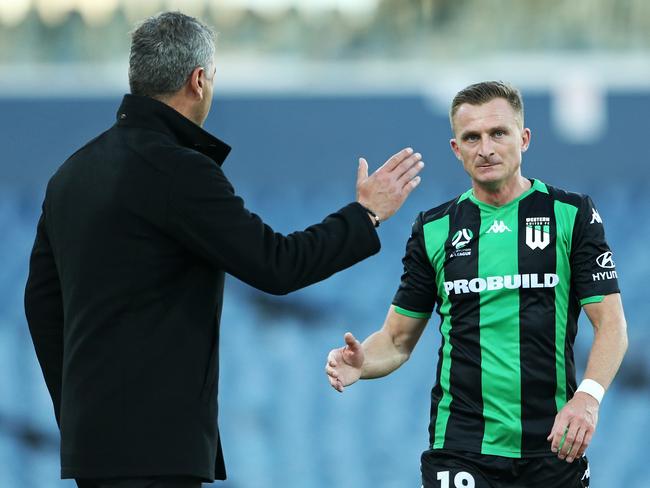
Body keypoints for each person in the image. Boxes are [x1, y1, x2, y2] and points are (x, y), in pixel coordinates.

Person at [23, 11, 424, 488]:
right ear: (197, 81)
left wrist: (78, 414)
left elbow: (40, 304)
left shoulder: (69, 175)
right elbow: (277, 264)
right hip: (159, 449)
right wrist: (365, 215)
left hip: (94, 450)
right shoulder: (178, 171)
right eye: (212, 76)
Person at [325, 81, 628, 488]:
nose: (485, 148)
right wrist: (363, 363)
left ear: (524, 139)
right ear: (456, 149)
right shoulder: (433, 229)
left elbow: (611, 325)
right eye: (472, 137)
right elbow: (396, 341)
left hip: (553, 445)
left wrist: (588, 398)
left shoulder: (571, 214)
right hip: (461, 445)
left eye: (498, 133)